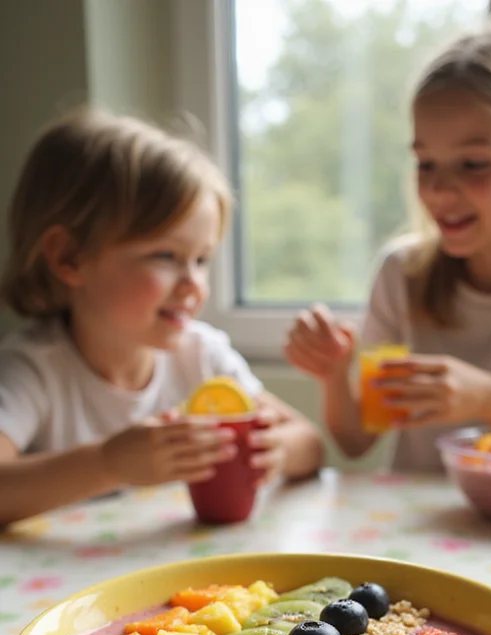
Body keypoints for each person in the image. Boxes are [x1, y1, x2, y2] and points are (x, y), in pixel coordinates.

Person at [0, 108, 323, 525]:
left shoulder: (201, 355)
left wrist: (277, 450)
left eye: (201, 260)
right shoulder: (33, 369)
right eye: (166, 256)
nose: (193, 284)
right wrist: (108, 463)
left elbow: (310, 442)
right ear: (70, 257)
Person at [285, 10, 491, 472]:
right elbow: (356, 440)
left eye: (473, 164)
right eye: (426, 164)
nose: (439, 191)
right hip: (414, 516)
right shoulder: (402, 275)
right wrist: (335, 374)